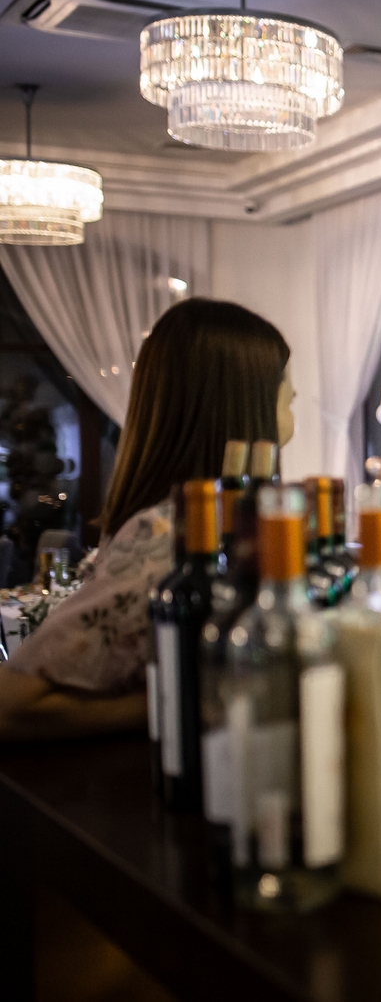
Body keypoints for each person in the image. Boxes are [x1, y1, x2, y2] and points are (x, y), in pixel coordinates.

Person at [0, 299, 294, 741]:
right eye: (289, 401)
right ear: (247, 406)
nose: (292, 421)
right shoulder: (167, 536)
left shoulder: (229, 529)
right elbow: (12, 704)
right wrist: (188, 699)